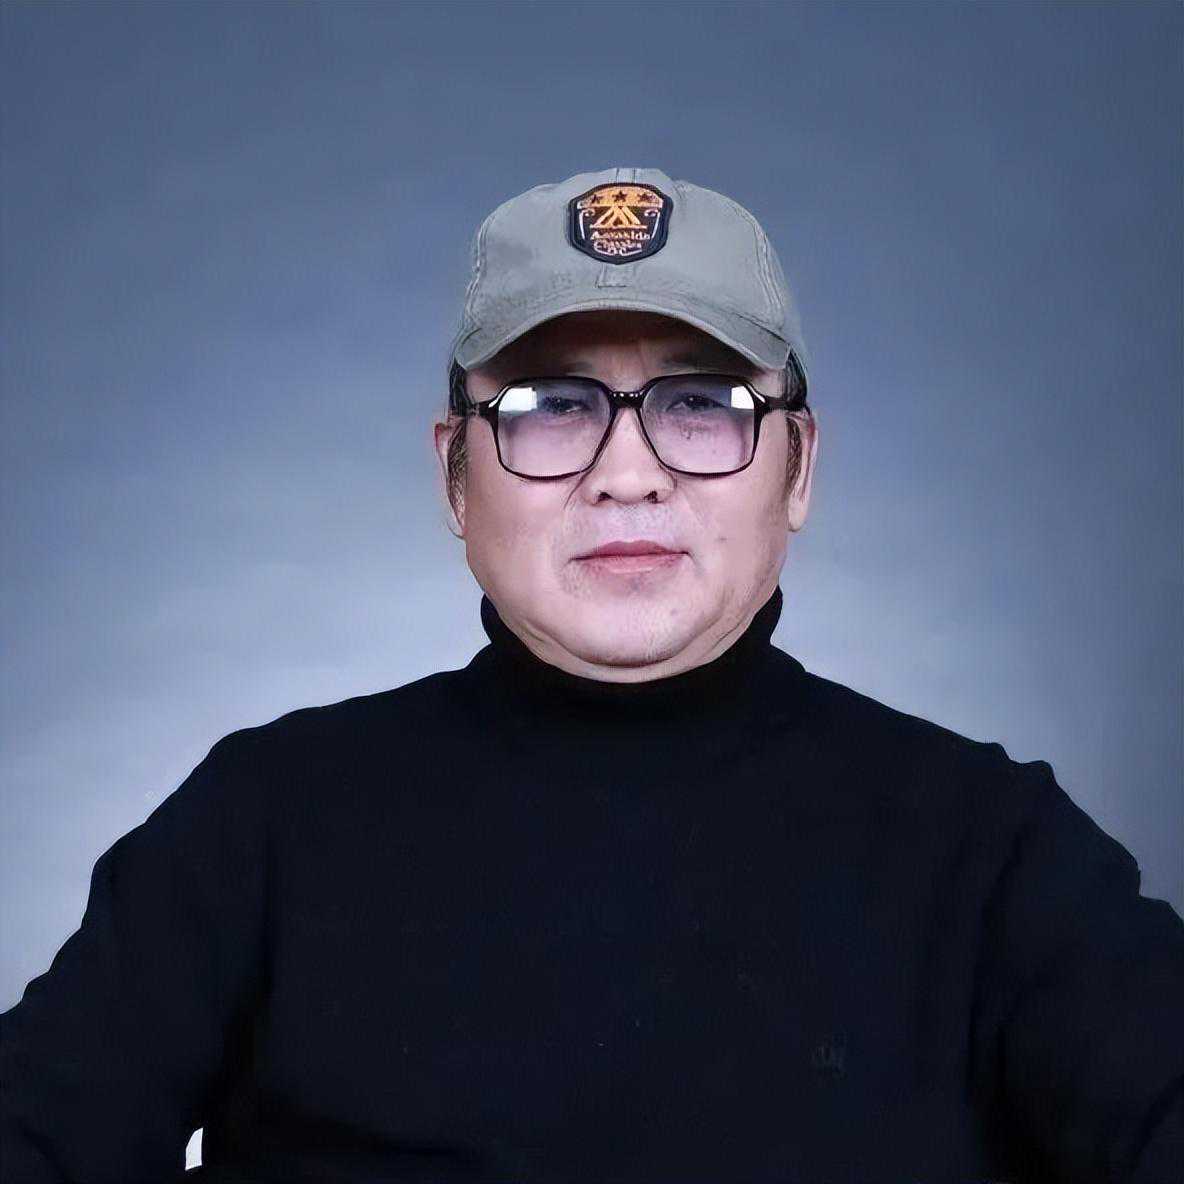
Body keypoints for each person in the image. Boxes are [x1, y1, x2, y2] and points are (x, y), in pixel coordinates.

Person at [2, 165, 1181, 1184]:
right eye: (549, 404)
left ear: (797, 467)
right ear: (454, 475)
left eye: (702, 402)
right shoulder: (264, 821)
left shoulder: (988, 850)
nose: (627, 471)